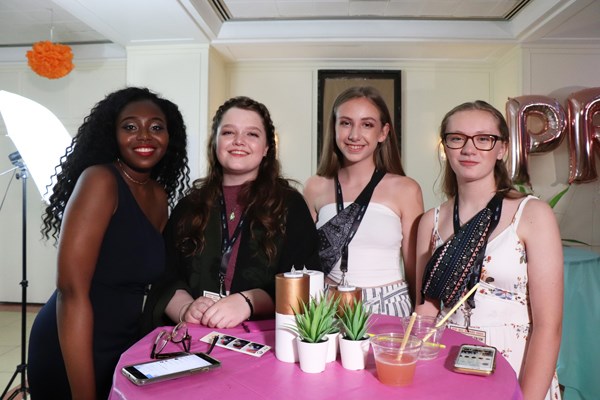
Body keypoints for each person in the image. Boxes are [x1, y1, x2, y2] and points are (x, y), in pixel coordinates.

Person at [27, 87, 190, 400]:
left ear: (170, 137)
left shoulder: (158, 195)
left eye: (156, 127)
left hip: (123, 340)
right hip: (73, 344)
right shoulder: (100, 180)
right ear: (111, 134)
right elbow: (72, 293)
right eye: (130, 127)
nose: (144, 136)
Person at [415, 100, 562, 400]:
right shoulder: (429, 221)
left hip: (516, 363)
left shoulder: (532, 214)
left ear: (502, 149)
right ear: (445, 147)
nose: (469, 149)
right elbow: (427, 310)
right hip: (448, 364)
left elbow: (549, 325)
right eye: (457, 138)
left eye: (484, 139)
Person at [142, 96, 320, 331]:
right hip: (196, 336)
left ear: (267, 148)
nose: (239, 141)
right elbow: (164, 275)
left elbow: (304, 281)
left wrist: (248, 302)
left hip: (265, 339)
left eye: (252, 134)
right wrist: (185, 308)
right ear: (215, 142)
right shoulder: (188, 206)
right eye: (228, 132)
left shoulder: (290, 204)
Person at [303, 86, 423, 317]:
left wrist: (420, 317)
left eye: (367, 124)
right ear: (334, 128)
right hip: (328, 301)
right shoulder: (314, 187)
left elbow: (414, 267)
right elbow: (306, 259)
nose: (354, 135)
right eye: (346, 123)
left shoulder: (405, 189)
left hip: (388, 303)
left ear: (383, 132)